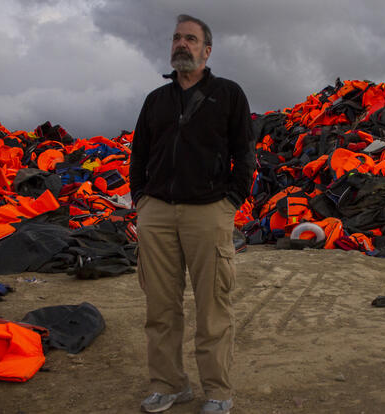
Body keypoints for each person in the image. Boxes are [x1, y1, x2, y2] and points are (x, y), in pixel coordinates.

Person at [129, 13, 255, 414]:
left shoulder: (229, 94)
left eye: (190, 39)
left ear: (207, 50)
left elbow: (244, 153)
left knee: (212, 307)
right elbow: (139, 154)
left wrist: (232, 199)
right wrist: (141, 200)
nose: (181, 44)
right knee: (160, 307)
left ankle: (217, 392)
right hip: (158, 213)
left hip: (209, 212)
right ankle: (168, 384)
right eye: (176, 38)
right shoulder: (156, 100)